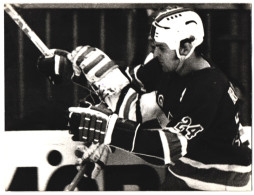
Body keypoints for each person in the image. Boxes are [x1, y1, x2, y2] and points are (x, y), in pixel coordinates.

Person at [37, 6, 251, 191]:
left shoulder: (209, 87)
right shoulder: (164, 67)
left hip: (222, 182)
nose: (155, 54)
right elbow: (122, 94)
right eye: (153, 46)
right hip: (184, 169)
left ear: (185, 48)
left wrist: (110, 131)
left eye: (161, 48)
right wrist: (71, 67)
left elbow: (168, 148)